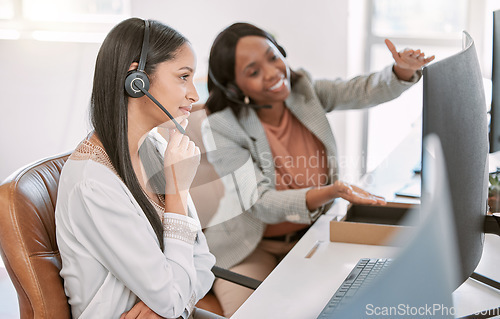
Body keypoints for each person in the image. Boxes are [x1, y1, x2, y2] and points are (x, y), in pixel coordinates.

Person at [201, 22, 434, 317]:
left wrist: (401, 72)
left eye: (273, 57)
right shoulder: (222, 126)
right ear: (234, 88)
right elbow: (259, 202)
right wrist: (331, 192)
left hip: (312, 236)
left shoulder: (304, 91)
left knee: (342, 304)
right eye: (253, 71)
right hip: (250, 247)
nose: (273, 72)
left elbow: (359, 90)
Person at [55, 17, 221, 319]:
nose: (194, 94)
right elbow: (171, 300)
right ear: (137, 80)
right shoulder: (93, 185)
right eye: (183, 77)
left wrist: (169, 306)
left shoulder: (155, 149)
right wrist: (177, 191)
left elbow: (203, 260)